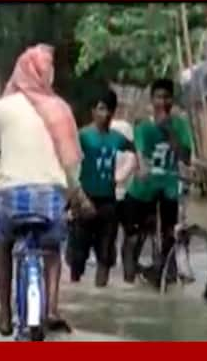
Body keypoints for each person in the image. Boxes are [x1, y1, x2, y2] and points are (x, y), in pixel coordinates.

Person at [0, 44, 81, 336]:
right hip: (51, 200)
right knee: (52, 249)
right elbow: (72, 163)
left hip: (9, 200)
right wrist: (73, 195)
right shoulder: (60, 109)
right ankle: (51, 309)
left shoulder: (2, 107)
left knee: (2, 246)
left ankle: (5, 315)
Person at [119, 78, 193, 284]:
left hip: (168, 189)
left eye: (167, 97)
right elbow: (141, 154)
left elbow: (186, 157)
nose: (163, 101)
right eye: (158, 97)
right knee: (133, 238)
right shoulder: (143, 126)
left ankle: (166, 275)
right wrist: (142, 168)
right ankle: (129, 281)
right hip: (143, 189)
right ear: (152, 100)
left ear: (172, 100)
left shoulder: (180, 125)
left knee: (169, 235)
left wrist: (171, 133)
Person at [66, 89, 134, 287]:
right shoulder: (83, 136)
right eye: (101, 109)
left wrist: (127, 173)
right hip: (84, 200)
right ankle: (76, 292)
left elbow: (135, 150)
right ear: (93, 111)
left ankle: (100, 291)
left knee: (105, 256)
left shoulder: (117, 138)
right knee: (77, 258)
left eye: (109, 110)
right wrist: (73, 198)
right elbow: (67, 162)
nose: (105, 114)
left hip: (108, 202)